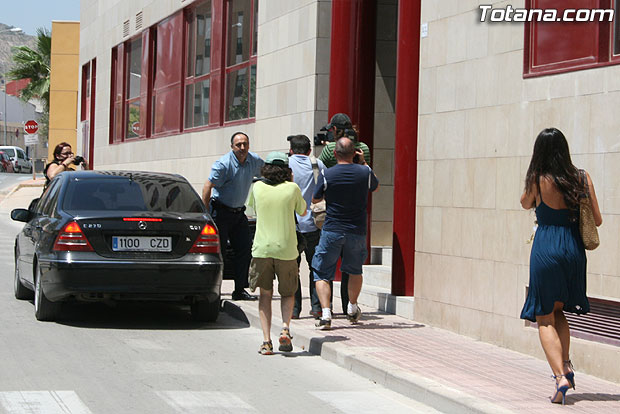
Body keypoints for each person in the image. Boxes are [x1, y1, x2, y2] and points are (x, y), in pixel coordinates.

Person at [519, 127, 602, 405]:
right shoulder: (581, 178)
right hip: (573, 249)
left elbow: (524, 203)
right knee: (559, 311)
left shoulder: (537, 179)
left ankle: (559, 378)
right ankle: (565, 363)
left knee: (543, 317)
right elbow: (597, 220)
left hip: (546, 247)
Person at [312, 137, 379, 330]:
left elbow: (316, 198)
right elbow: (375, 186)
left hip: (332, 229)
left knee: (322, 271)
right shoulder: (364, 172)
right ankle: (352, 306)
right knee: (354, 269)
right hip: (357, 230)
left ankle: (325, 314)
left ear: (335, 153)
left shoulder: (327, 174)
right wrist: (364, 163)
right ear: (355, 153)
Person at [248, 152, 307, 355]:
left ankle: (266, 341)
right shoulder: (292, 188)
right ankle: (285, 327)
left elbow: (253, 208)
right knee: (288, 292)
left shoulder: (257, 187)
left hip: (262, 248)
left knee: (265, 294)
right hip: (287, 249)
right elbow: (303, 211)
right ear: (286, 170)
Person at [318, 113, 372, 314]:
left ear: (335, 130)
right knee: (352, 266)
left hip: (334, 214)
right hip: (356, 213)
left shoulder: (331, 149)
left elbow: (324, 167)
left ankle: (324, 308)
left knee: (326, 266)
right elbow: (366, 174)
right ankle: (348, 305)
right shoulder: (363, 148)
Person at [202, 132, 264, 301]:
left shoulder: (254, 160)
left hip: (238, 213)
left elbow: (267, 172)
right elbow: (208, 186)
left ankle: (239, 290)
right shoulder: (223, 164)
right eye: (238, 145)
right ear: (232, 147)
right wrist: (205, 213)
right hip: (220, 212)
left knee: (245, 250)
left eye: (245, 144)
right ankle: (215, 291)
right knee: (219, 252)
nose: (242, 148)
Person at [287, 134, 328, 319]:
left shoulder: (285, 165)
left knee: (292, 269)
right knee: (316, 268)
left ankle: (295, 309)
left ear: (291, 150)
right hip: (314, 225)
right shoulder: (318, 165)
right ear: (309, 150)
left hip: (291, 227)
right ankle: (317, 307)